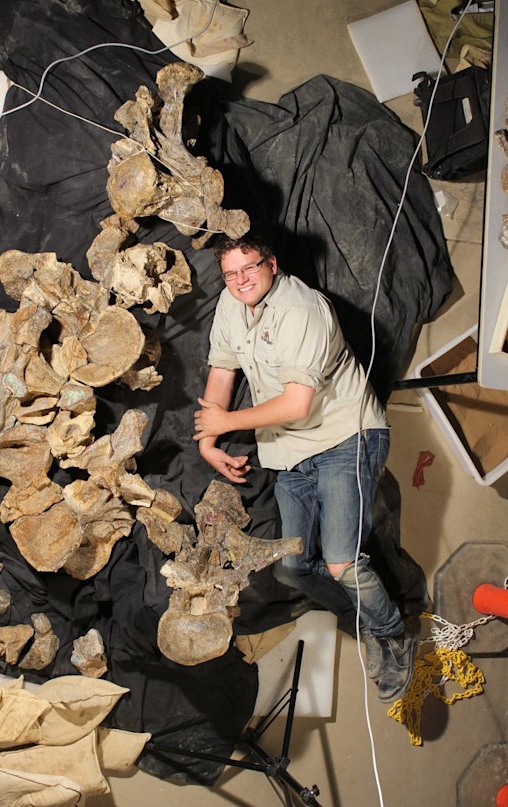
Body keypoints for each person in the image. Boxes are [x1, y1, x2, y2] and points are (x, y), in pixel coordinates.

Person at [193, 228, 417, 703]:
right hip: (289, 453)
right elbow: (221, 372)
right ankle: (365, 619)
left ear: (271, 265)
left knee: (343, 563)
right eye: (230, 273)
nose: (239, 281)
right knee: (292, 568)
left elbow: (296, 405)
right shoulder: (232, 306)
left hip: (344, 437)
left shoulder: (302, 309)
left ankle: (393, 632)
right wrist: (208, 440)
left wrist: (226, 419)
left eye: (249, 268)